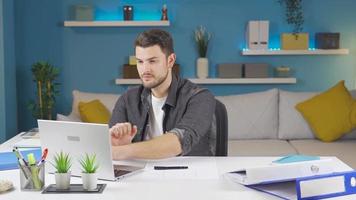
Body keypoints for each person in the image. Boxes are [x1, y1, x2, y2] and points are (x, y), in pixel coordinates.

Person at [109, 29, 216, 160]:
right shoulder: (128, 99)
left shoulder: (200, 97)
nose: (145, 69)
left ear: (170, 61)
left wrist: (122, 151)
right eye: (140, 62)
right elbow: (110, 145)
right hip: (140, 175)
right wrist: (118, 143)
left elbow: (178, 142)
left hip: (187, 176)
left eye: (152, 61)